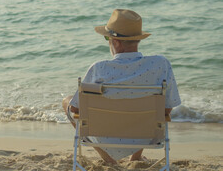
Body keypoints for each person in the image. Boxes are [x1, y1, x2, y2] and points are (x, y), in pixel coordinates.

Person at [62, 9, 181, 164]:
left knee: (67, 102)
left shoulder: (99, 68)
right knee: (146, 110)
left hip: (104, 134)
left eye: (107, 38)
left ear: (116, 42)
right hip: (147, 135)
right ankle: (136, 157)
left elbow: (76, 110)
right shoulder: (160, 64)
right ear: (138, 39)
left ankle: (108, 159)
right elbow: (167, 108)